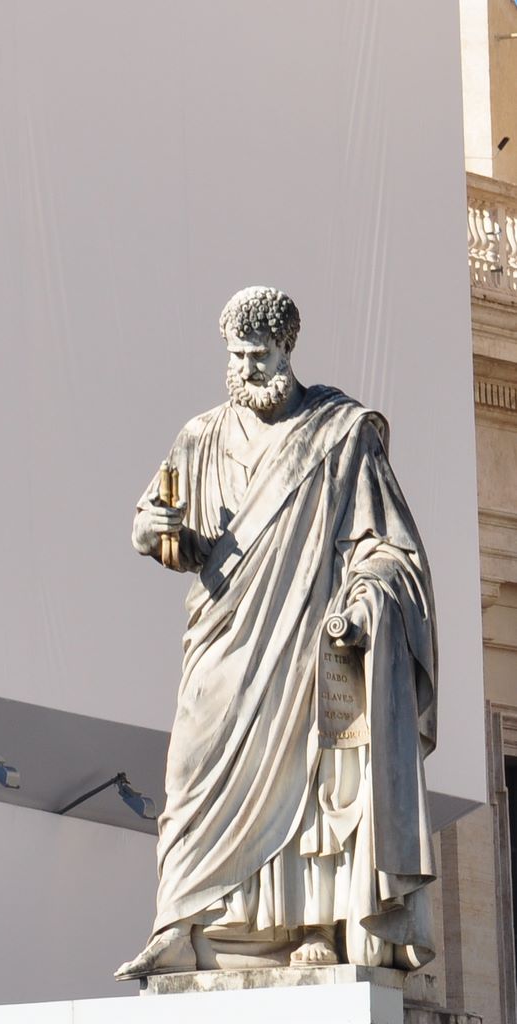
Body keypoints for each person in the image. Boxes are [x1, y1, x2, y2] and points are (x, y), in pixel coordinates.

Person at [115, 285, 437, 979]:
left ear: (288, 350)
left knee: (308, 774)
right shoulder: (201, 436)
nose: (248, 370)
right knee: (191, 771)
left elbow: (388, 547)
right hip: (224, 644)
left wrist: (366, 599)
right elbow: (152, 520)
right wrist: (159, 533)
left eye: (260, 356)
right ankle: (186, 920)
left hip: (303, 639)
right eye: (237, 357)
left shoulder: (340, 434)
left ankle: (308, 926)